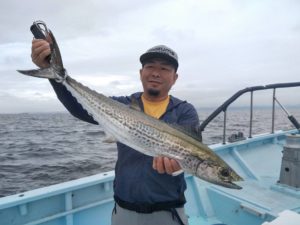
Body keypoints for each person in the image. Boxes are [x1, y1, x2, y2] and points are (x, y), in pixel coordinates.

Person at [31, 40, 200, 225]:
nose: (156, 73)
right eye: (150, 66)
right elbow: (78, 108)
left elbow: (191, 153)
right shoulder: (122, 105)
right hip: (123, 209)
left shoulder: (185, 111)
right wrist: (56, 77)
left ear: (175, 77)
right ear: (141, 73)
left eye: (165, 69)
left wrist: (177, 168)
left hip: (169, 211)